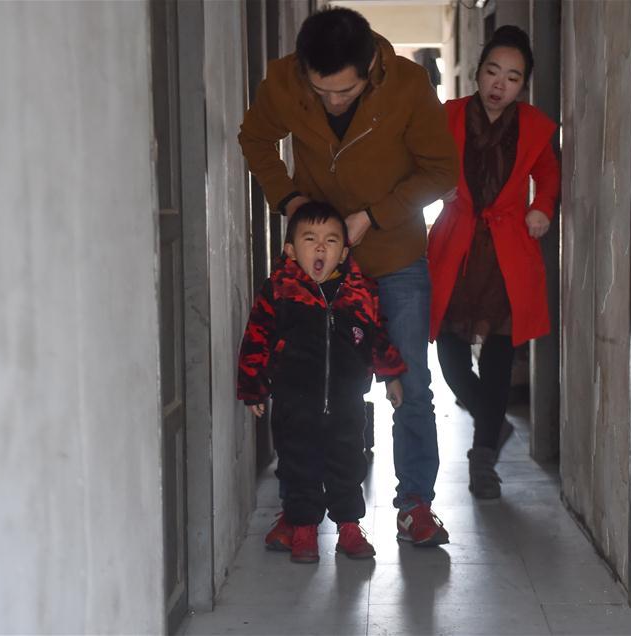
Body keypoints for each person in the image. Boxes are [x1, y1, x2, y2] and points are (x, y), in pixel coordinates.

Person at [238, 7, 458, 547]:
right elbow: (255, 138)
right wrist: (290, 201)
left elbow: (441, 170)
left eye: (346, 92)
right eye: (321, 92)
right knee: (308, 385)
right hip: (321, 265)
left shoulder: (407, 85)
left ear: (370, 69)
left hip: (396, 256)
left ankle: (416, 505)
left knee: (410, 382)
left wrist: (374, 215)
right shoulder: (285, 80)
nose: (333, 102)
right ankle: (301, 509)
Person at [427, 26, 560, 499]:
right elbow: (421, 161)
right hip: (458, 245)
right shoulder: (448, 116)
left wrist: (541, 207)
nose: (499, 84)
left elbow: (548, 174)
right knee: (449, 353)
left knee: (500, 356)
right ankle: (493, 421)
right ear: (478, 72)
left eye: (512, 77)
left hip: (507, 250)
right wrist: (436, 183)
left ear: (523, 85)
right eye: (492, 71)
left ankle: (483, 458)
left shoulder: (534, 126)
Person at [237, 202, 406, 563]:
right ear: (290, 250)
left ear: (343, 253)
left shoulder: (360, 292)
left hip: (347, 403)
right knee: (299, 465)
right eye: (309, 239)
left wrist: (391, 376)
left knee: (348, 463)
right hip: (295, 402)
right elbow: (256, 339)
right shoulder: (279, 292)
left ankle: (349, 527)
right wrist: (253, 387)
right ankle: (303, 529)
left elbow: (378, 338)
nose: (320, 248)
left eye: (330, 241)